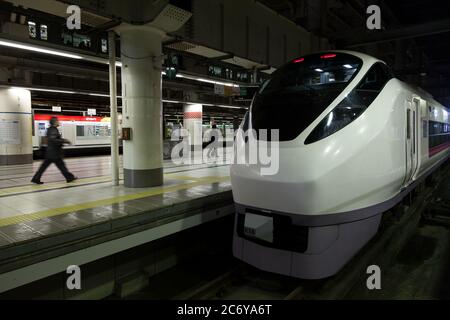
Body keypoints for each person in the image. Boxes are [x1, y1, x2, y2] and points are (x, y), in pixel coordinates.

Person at [31, 117, 77, 184]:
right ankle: (69, 178)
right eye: (57, 121)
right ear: (55, 122)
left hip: (50, 152)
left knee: (43, 167)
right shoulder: (53, 129)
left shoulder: (50, 129)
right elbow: (53, 140)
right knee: (61, 166)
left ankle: (36, 178)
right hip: (55, 153)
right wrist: (64, 140)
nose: (59, 122)